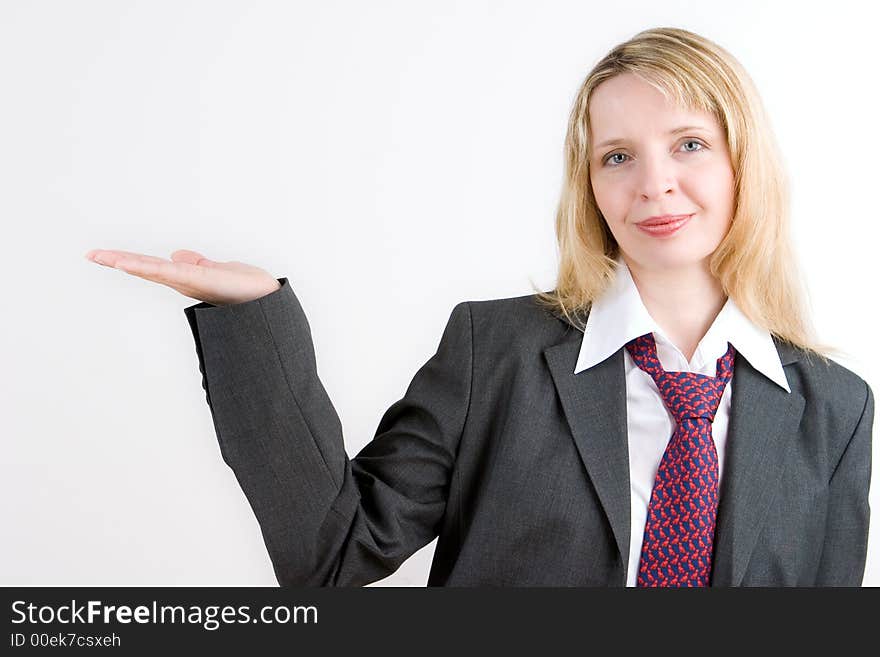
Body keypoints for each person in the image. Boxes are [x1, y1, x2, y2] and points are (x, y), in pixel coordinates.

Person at [85, 27, 874, 586]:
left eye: (690, 143)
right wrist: (256, 317)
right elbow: (330, 553)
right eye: (618, 155)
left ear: (745, 160)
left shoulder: (835, 409)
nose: (654, 182)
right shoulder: (492, 351)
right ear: (592, 186)